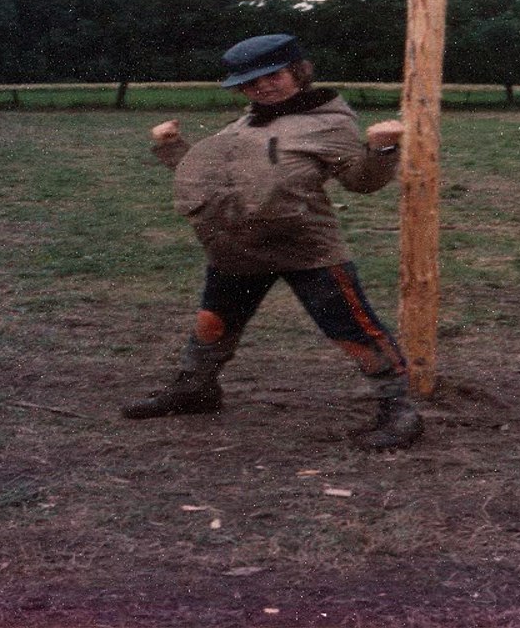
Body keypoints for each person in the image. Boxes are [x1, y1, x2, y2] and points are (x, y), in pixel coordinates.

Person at [122, 34, 423, 450]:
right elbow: (214, 178)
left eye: (272, 76)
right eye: (248, 83)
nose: (261, 87)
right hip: (235, 246)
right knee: (213, 325)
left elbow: (362, 182)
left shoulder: (329, 122)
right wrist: (172, 148)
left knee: (350, 327)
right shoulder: (246, 122)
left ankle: (399, 410)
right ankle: (196, 389)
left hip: (306, 249)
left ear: (298, 71)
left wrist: (383, 148)